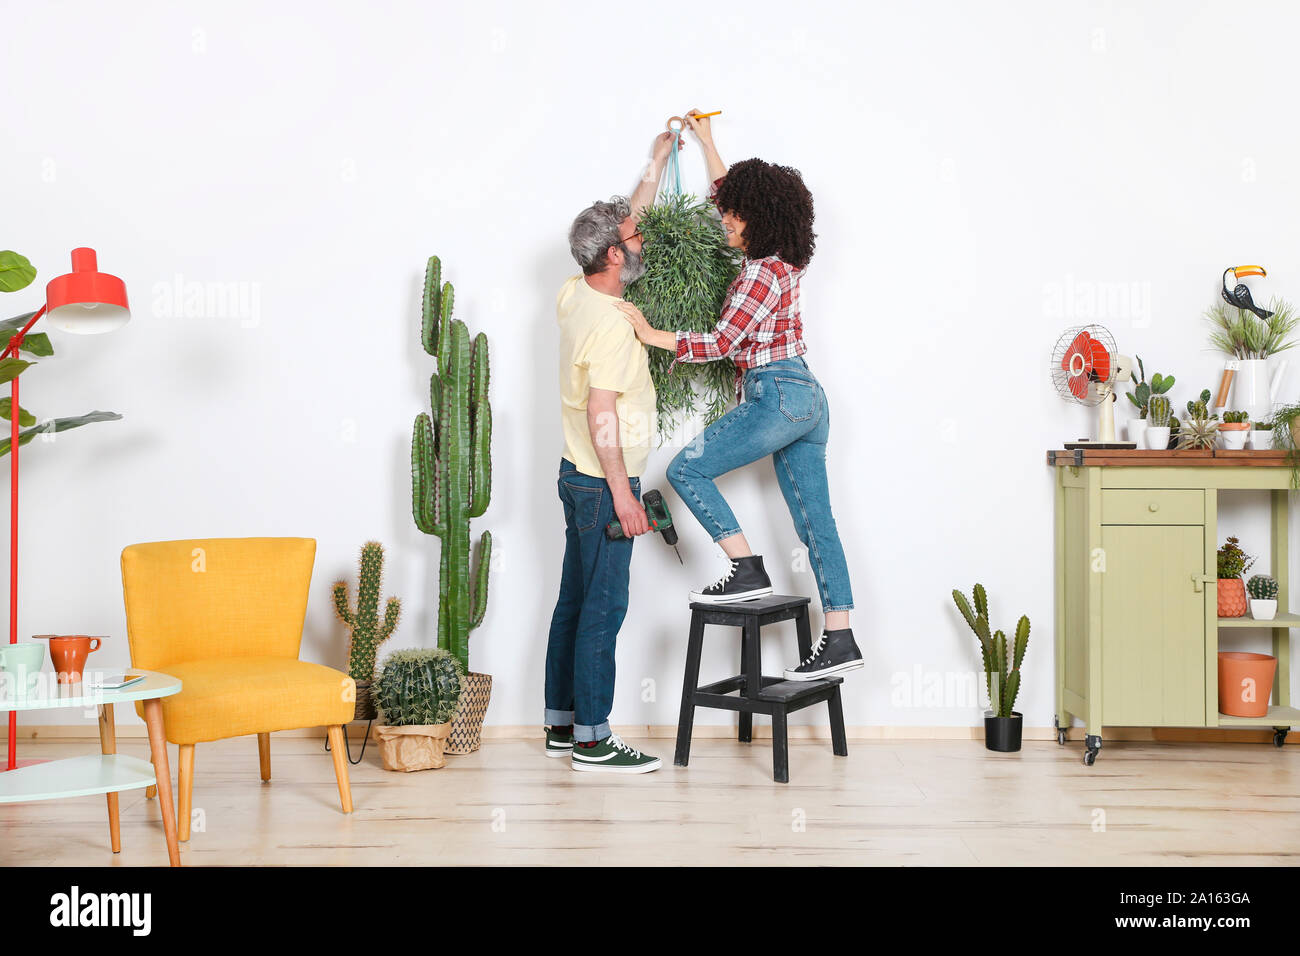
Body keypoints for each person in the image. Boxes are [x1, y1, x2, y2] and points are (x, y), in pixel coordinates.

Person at [616, 110, 863, 682]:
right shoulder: (789, 262)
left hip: (775, 392)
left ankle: (747, 566)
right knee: (816, 522)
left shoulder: (756, 275)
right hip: (807, 397)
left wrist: (653, 334)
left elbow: (726, 342)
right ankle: (841, 635)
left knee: (685, 470)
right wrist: (707, 143)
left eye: (732, 215)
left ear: (758, 219)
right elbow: (739, 192)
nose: (723, 219)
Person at [543, 132, 684, 772]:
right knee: (605, 609)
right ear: (609, 255)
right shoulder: (612, 328)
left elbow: (624, 222)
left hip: (575, 477)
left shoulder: (577, 292)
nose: (642, 240)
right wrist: (624, 495)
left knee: (574, 601)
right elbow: (604, 415)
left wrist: (655, 165)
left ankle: (561, 725)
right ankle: (595, 742)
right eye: (633, 238)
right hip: (602, 483)